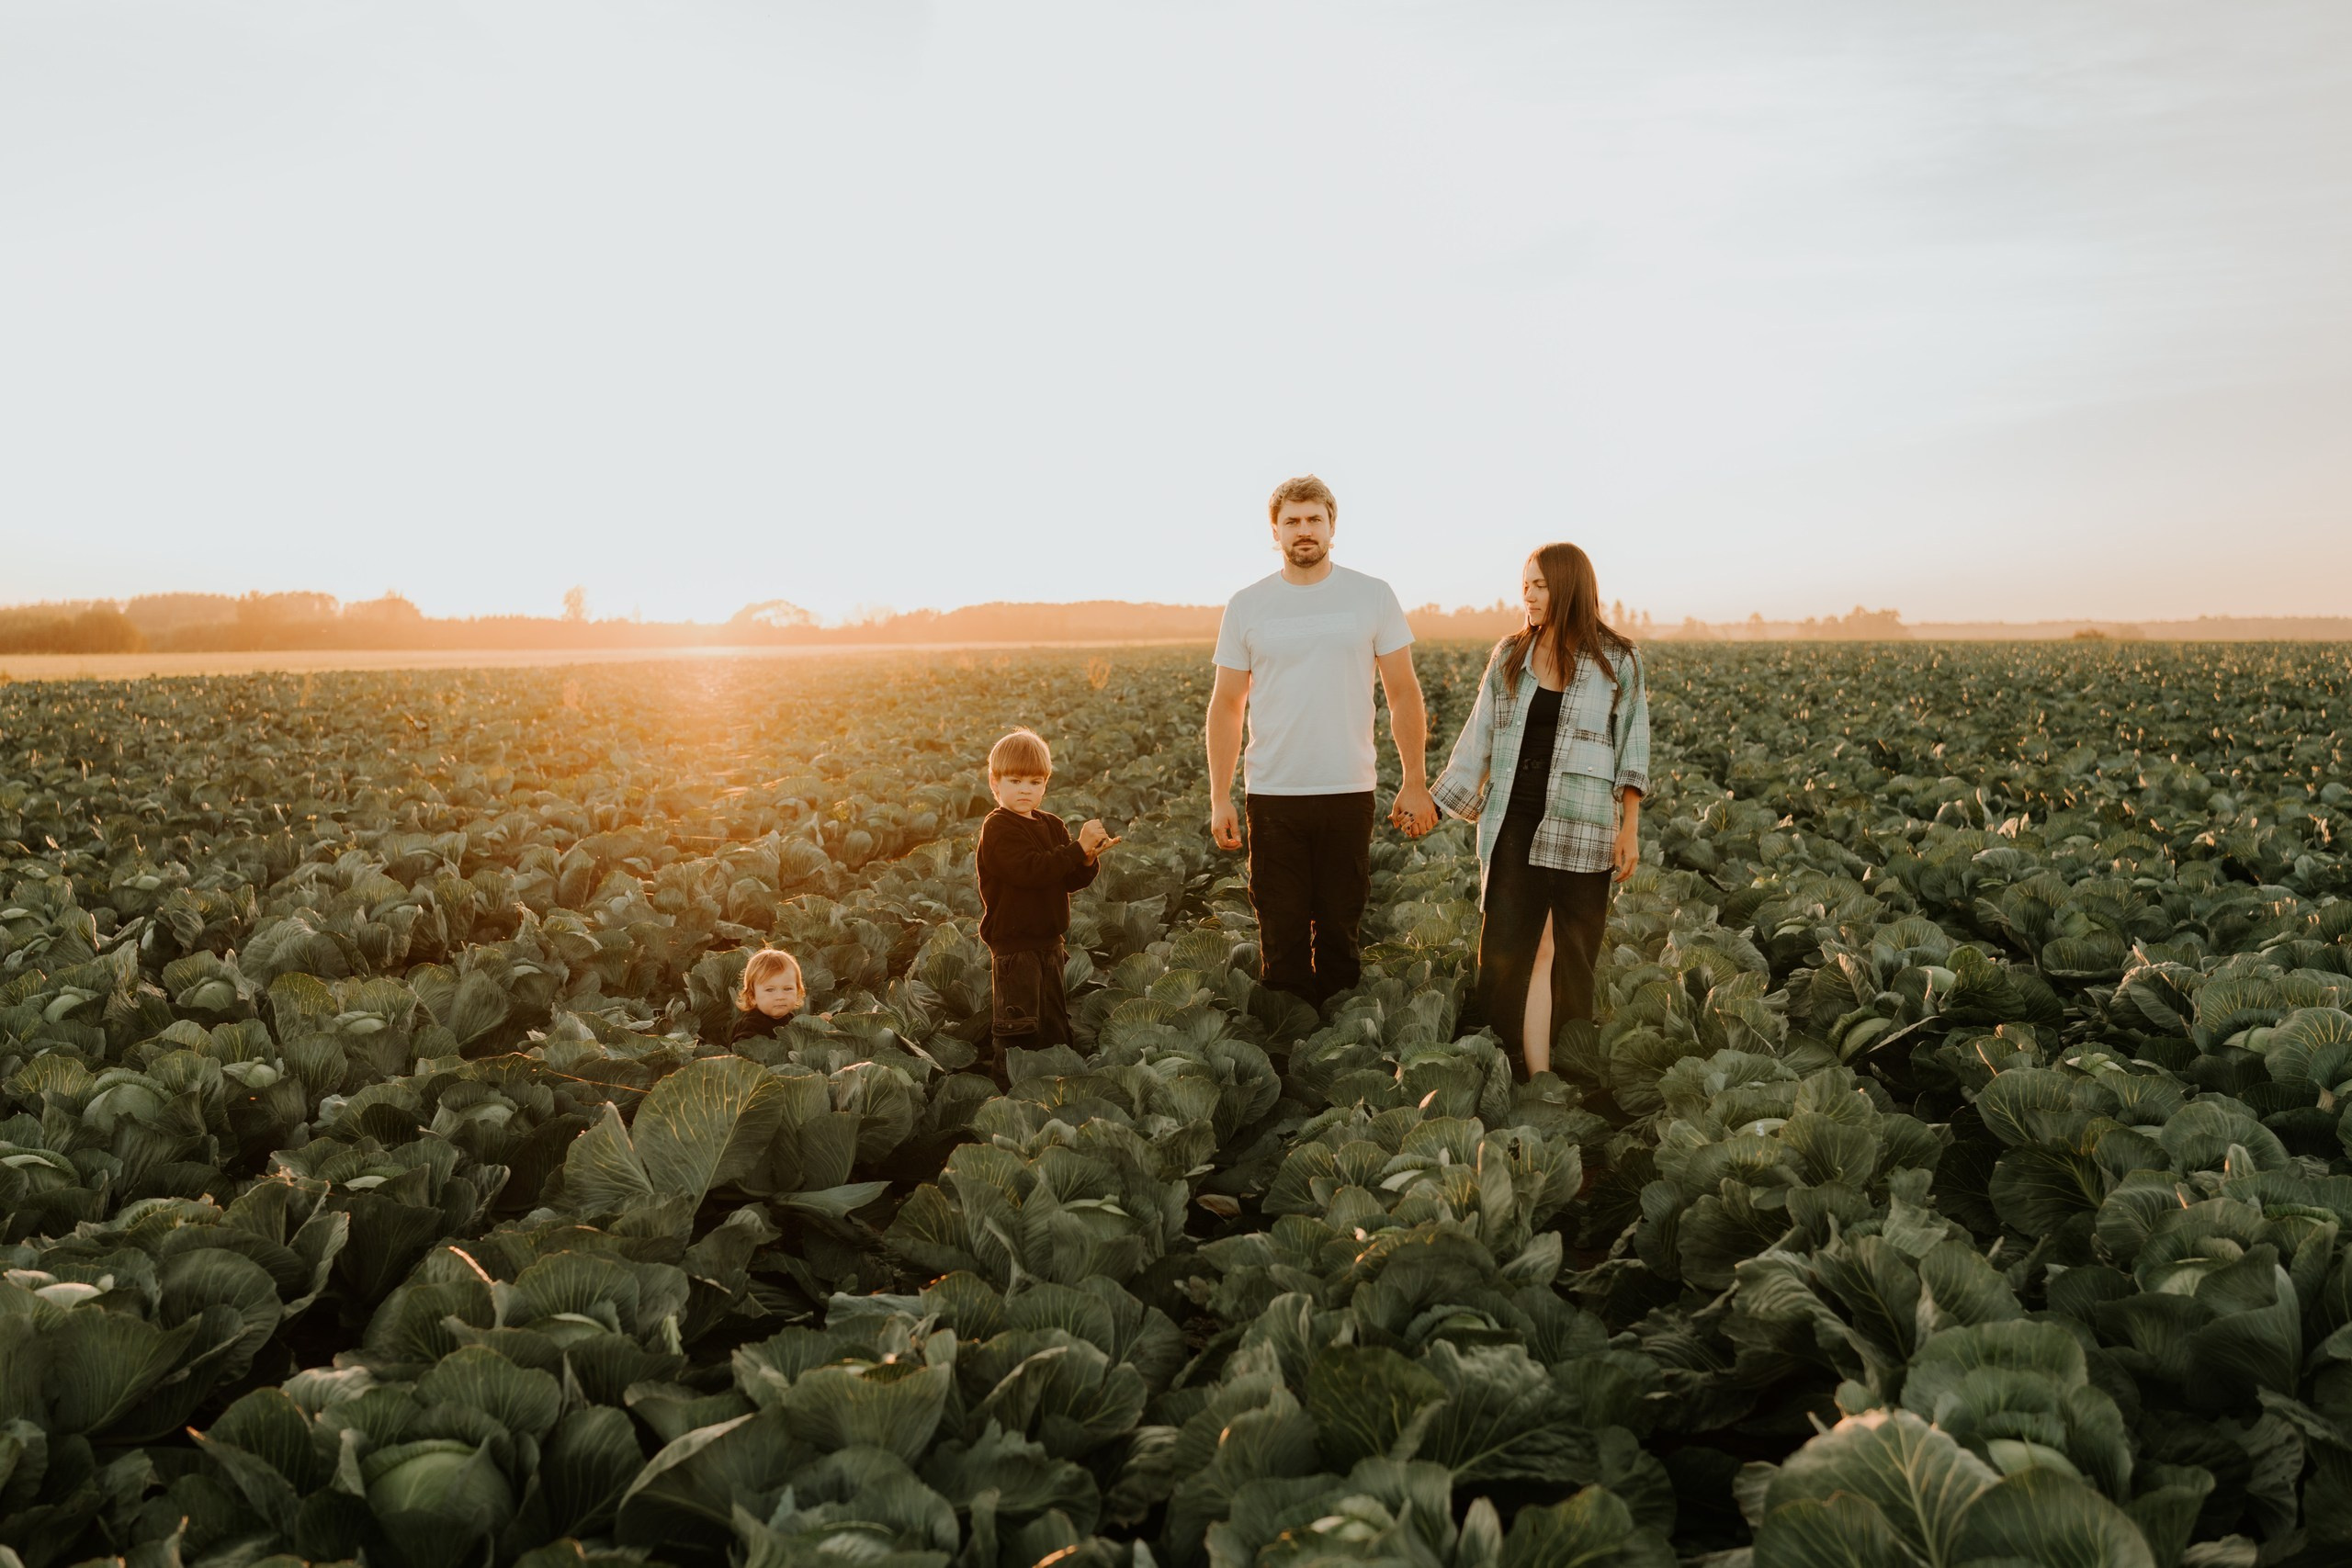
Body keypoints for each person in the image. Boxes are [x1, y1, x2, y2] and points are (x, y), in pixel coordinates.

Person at [1204, 474, 1436, 1010]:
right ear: (1275, 530)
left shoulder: (1371, 595)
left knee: (1340, 934)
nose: (1304, 530)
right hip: (1273, 794)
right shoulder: (1247, 604)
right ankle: (1288, 1061)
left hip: (1348, 790)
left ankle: (1336, 1058)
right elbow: (1226, 705)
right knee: (1281, 941)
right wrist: (1220, 796)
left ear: (1332, 526)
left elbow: (1403, 692)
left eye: (1314, 519)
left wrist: (1416, 781)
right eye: (1292, 521)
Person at [1431, 543, 1649, 1079]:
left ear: (1568, 587)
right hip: (1513, 820)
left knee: (1568, 951)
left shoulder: (1619, 660)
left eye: (1540, 585)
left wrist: (1630, 829)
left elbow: (1633, 749)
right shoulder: (1510, 654)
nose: (1527, 594)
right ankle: (1517, 1072)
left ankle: (1562, 1074)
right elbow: (1477, 737)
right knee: (1510, 949)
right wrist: (1433, 804)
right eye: (1524, 584)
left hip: (1583, 823)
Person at [976, 728, 1117, 1088]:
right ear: (995, 783)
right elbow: (1029, 871)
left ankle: (1055, 1092)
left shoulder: (1052, 824)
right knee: (1018, 1033)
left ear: (1046, 784)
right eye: (1015, 780)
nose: (1026, 789)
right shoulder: (997, 828)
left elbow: (1065, 879)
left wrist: (1086, 859)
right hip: (1014, 949)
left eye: (1035, 781)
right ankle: (1008, 1098)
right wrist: (1074, 850)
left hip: (1051, 945)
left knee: (1054, 1026)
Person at [730, 946, 807, 1046]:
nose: (780, 996)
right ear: (752, 996)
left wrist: (815, 1025)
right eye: (770, 990)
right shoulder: (750, 1025)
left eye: (787, 989)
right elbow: (741, 1054)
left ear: (798, 992)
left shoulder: (790, 1018)